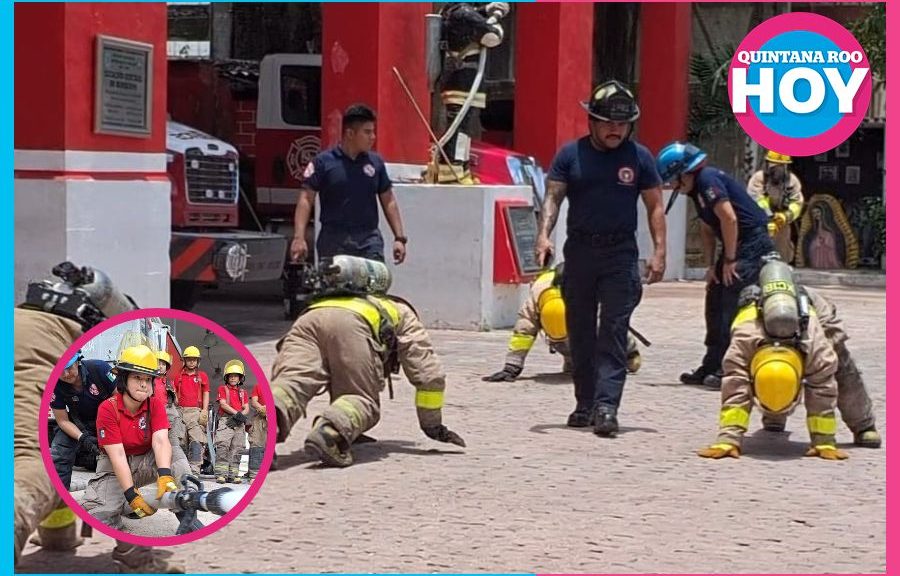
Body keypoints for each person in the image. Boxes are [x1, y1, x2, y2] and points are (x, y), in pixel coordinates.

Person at [15, 264, 183, 572]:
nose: (67, 374)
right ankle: (137, 558)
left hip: (104, 416)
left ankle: (58, 536)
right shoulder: (58, 348)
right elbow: (61, 418)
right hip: (77, 421)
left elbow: (122, 407)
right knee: (44, 461)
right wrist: (85, 439)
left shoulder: (97, 370)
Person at [534, 80, 666, 437]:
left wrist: (659, 251)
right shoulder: (570, 155)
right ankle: (585, 403)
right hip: (580, 253)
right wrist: (544, 235)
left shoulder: (640, 158)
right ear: (591, 120)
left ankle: (607, 406)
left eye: (622, 124)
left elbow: (655, 205)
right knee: (579, 330)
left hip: (620, 254)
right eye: (608, 122)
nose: (615, 130)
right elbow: (553, 197)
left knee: (613, 329)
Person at [270, 257, 465, 467]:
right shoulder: (397, 308)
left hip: (307, 322)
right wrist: (432, 425)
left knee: (290, 386)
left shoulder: (321, 302)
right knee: (360, 400)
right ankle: (330, 432)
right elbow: (428, 373)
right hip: (353, 326)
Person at [697, 258, 845, 460]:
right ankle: (774, 419)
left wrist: (824, 442)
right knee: (756, 385)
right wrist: (728, 439)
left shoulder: (818, 350)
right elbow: (736, 387)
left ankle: (865, 425)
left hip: (814, 307)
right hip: (755, 314)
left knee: (846, 373)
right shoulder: (742, 345)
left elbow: (824, 390)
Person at [656, 141, 775, 390]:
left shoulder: (707, 180)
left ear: (684, 172)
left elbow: (729, 219)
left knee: (732, 302)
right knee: (715, 300)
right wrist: (712, 266)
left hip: (751, 244)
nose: (674, 186)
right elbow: (707, 229)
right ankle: (711, 363)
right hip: (735, 246)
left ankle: (730, 368)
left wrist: (731, 261)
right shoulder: (697, 191)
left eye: (674, 180)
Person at [81, 344, 202, 534]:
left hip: (146, 461)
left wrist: (165, 475)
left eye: (148, 379)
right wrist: (131, 495)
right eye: (137, 377)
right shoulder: (107, 408)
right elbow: (117, 455)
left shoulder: (155, 405)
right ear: (123, 379)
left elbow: (161, 441)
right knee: (99, 518)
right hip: (114, 466)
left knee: (176, 454)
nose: (144, 384)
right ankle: (128, 505)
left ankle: (189, 517)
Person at [760, 284, 881, 448]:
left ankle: (863, 425)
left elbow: (823, 381)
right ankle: (774, 412)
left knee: (841, 368)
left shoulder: (817, 320)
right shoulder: (749, 322)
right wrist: (730, 436)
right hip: (763, 332)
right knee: (766, 369)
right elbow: (736, 376)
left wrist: (823, 440)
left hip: (814, 319)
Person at [482, 262, 642, 382]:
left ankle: (629, 354)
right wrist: (512, 366)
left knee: (608, 328)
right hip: (569, 325)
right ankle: (571, 358)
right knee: (575, 366)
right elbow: (523, 333)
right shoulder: (537, 296)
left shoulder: (594, 292)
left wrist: (628, 353)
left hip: (589, 323)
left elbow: (614, 327)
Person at [291, 104, 408, 265]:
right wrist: (299, 237)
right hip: (334, 240)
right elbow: (306, 199)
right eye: (367, 132)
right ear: (350, 133)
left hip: (368, 240)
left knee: (375, 280)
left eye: (373, 132)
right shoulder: (323, 163)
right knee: (334, 282)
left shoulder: (376, 163)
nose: (373, 137)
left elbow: (389, 200)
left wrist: (399, 238)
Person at [429, 2, 509, 183]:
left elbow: (475, 17)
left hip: (463, 78)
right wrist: (497, 24)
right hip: (463, 79)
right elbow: (492, 36)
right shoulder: (463, 14)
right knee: (458, 126)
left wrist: (487, 10)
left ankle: (461, 167)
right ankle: (451, 169)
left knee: (463, 127)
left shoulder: (453, 12)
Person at [49, 351, 117, 489]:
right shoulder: (54, 385)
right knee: (60, 451)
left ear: (77, 361)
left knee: (118, 455)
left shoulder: (99, 369)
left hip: (110, 419)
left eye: (69, 368)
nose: (66, 374)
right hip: (79, 423)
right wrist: (82, 437)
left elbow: (121, 400)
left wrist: (109, 432)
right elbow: (62, 421)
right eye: (60, 371)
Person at [747, 151, 804, 262]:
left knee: (782, 254)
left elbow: (797, 203)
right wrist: (769, 217)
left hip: (782, 220)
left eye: (781, 166)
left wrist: (785, 216)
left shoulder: (792, 181)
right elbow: (757, 199)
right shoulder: (758, 178)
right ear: (767, 164)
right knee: (758, 253)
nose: (778, 170)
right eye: (774, 166)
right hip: (759, 220)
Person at [173, 345, 209, 475]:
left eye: (194, 359)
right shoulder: (178, 376)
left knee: (196, 441)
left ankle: (194, 471)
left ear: (198, 361)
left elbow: (206, 393)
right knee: (181, 442)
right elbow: (174, 394)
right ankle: (183, 471)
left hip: (196, 412)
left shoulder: (202, 376)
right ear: (184, 361)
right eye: (189, 359)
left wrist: (204, 410)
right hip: (181, 412)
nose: (192, 362)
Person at [213, 361, 250, 484]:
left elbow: (247, 408)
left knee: (237, 448)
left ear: (240, 378)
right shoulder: (222, 389)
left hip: (239, 422)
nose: (233, 378)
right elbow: (223, 404)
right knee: (223, 446)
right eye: (231, 376)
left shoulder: (243, 392)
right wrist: (237, 414)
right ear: (227, 378)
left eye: (236, 376)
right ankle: (221, 475)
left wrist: (239, 417)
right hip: (226, 421)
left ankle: (233, 475)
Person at [155, 351, 189, 466]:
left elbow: (176, 402)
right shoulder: (150, 380)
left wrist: (173, 394)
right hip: (154, 413)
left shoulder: (169, 382)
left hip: (169, 413)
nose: (160, 366)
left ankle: (175, 466)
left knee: (173, 442)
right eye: (158, 363)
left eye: (163, 364)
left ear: (167, 367)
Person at [247, 383, 268, 480]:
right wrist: (263, 409)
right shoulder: (259, 386)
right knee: (256, 444)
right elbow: (254, 402)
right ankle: (254, 475)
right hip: (260, 417)